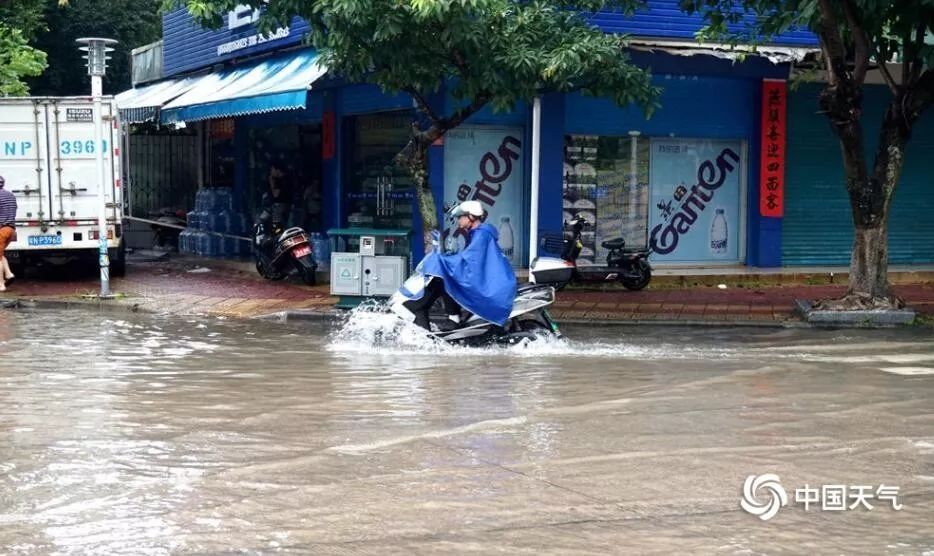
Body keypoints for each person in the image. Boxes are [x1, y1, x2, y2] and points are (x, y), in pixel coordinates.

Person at [404, 200, 517, 331]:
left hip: (491, 288)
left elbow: (470, 261)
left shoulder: (481, 235)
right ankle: (454, 317)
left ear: (471, 217)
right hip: (493, 282)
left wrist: (442, 260)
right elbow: (470, 259)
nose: (458, 221)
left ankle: (454, 318)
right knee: (446, 275)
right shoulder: (480, 233)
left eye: (460, 217)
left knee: (446, 277)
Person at [0, 175, 17, 292]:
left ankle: (1, 285)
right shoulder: (10, 195)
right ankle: (9, 274)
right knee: (0, 255)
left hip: (1, 229)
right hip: (11, 229)